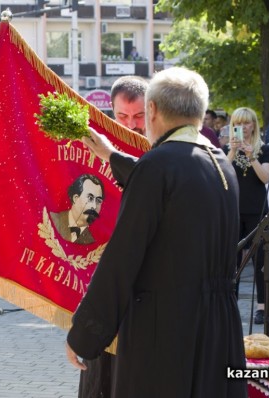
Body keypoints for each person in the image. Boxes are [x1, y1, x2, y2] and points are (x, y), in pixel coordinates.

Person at [66, 67, 247, 397]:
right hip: (219, 329)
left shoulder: (158, 164)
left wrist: (84, 334)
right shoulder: (220, 162)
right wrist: (110, 155)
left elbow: (122, 259)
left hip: (167, 332)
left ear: (152, 110)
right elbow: (174, 194)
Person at [77, 75, 148, 398]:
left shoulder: (163, 152)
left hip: (146, 291)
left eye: (139, 116)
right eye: (122, 116)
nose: (131, 125)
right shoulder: (97, 148)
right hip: (105, 281)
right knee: (99, 381)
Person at [227, 107, 269, 325]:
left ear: (254, 125)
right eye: (238, 123)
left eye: (247, 123)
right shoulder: (225, 149)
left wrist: (250, 156)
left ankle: (262, 307)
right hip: (233, 211)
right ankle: (230, 304)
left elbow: (265, 178)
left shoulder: (264, 149)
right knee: (231, 260)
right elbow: (220, 177)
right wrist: (232, 152)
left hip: (257, 211)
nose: (243, 128)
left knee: (260, 260)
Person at [50, 174, 104, 245]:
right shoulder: (51, 220)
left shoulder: (92, 243)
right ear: (75, 198)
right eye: (90, 198)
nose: (94, 206)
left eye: (98, 201)